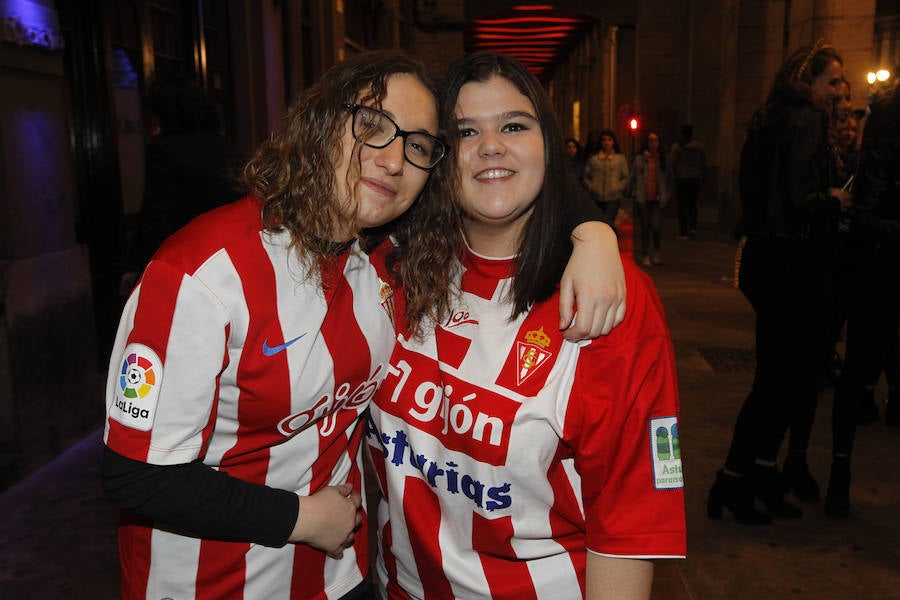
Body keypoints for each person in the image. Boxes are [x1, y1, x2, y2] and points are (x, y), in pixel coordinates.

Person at [101, 50, 627, 599]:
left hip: (343, 578)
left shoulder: (386, 259)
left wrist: (595, 233)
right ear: (322, 122)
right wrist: (301, 518)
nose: (393, 160)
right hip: (209, 584)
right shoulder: (203, 275)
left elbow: (511, 182)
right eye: (372, 127)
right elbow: (135, 475)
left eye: (417, 146)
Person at [366, 52, 685, 600]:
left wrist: (593, 233)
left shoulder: (608, 300)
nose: (491, 145)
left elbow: (631, 522)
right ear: (439, 156)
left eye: (514, 125)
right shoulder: (390, 266)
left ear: (550, 146)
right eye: (467, 131)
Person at [708, 41, 851, 525]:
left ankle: (758, 476)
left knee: (783, 381)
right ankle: (732, 481)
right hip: (796, 266)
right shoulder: (805, 121)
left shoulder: (768, 123)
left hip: (770, 264)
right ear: (806, 82)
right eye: (832, 81)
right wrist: (833, 199)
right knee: (785, 383)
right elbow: (799, 198)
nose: (838, 91)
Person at [826, 85, 900, 517]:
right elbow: (866, 216)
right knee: (854, 375)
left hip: (879, 270)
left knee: (864, 371)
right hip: (870, 274)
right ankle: (840, 468)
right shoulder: (882, 149)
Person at [120, 76, 245, 295]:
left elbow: (156, 215)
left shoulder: (165, 151)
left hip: (189, 262)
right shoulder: (224, 146)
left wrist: (136, 267)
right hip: (229, 257)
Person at [629, 132, 669, 267]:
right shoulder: (640, 159)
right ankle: (645, 253)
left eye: (656, 140)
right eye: (650, 140)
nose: (653, 143)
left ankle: (657, 251)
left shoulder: (662, 159)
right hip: (643, 198)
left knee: (656, 227)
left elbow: (668, 179)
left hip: (657, 199)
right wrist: (635, 192)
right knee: (645, 227)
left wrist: (666, 195)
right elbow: (633, 177)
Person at [582, 128, 629, 223]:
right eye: (604, 140)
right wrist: (591, 187)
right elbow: (586, 176)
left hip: (613, 197)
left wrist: (618, 187)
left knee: (608, 222)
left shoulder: (619, 159)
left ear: (613, 142)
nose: (606, 142)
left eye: (609, 140)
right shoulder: (594, 159)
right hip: (596, 197)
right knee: (599, 222)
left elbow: (625, 177)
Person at [668, 125, 706, 239]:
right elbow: (703, 162)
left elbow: (672, 162)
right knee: (693, 204)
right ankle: (693, 228)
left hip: (681, 178)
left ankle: (684, 231)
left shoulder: (677, 147)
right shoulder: (699, 147)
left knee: (682, 205)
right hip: (695, 178)